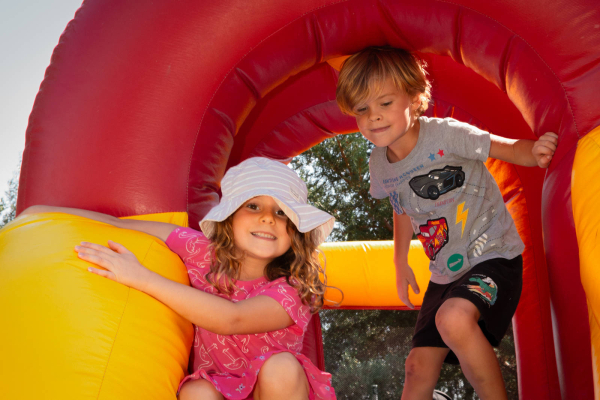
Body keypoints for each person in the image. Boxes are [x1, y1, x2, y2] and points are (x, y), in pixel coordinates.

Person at [335, 46, 558, 400]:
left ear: (413, 95)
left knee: (453, 319)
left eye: (385, 104)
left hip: (492, 256)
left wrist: (535, 151)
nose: (373, 117)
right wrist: (399, 261)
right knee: (417, 367)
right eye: (362, 109)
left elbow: (505, 148)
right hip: (444, 273)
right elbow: (401, 207)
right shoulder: (379, 164)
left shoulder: (445, 135)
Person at [20, 157, 338, 400]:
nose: (267, 217)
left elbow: (233, 320)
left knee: (280, 367)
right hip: (218, 384)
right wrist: (44, 212)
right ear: (228, 218)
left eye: (282, 212)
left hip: (273, 390)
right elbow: (121, 226)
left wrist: (141, 278)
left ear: (295, 231)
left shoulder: (294, 286)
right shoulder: (199, 249)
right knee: (195, 393)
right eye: (252, 206)